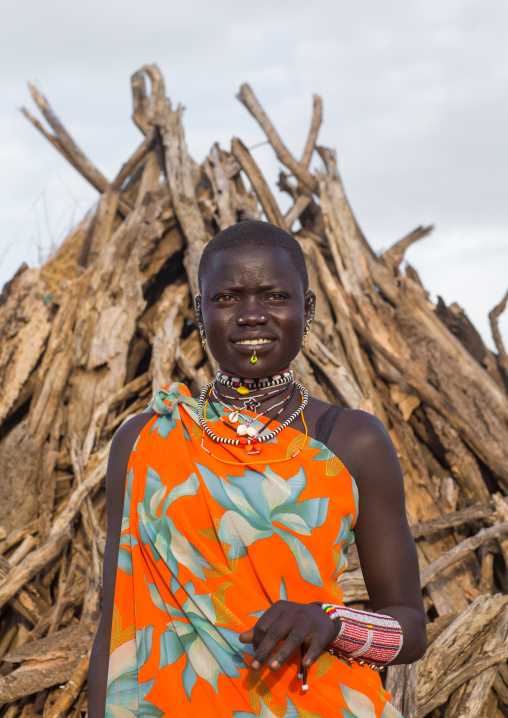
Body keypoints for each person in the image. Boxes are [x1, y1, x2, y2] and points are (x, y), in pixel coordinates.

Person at [88, 220, 427, 717]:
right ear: (199, 313)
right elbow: (114, 623)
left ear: (306, 309)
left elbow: (411, 630)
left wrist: (332, 623)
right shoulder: (143, 441)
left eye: (273, 296)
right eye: (226, 299)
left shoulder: (352, 440)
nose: (251, 316)